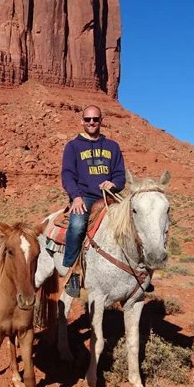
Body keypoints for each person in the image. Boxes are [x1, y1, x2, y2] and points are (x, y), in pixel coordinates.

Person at [61, 105, 126, 297]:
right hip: (85, 197)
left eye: (95, 119)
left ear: (101, 121)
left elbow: (121, 175)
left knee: (134, 220)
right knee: (78, 224)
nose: (91, 123)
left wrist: (113, 184)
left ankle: (140, 272)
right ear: (82, 121)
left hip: (110, 197)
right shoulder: (73, 146)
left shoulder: (112, 146)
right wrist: (76, 196)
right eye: (88, 119)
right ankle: (73, 271)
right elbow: (67, 175)